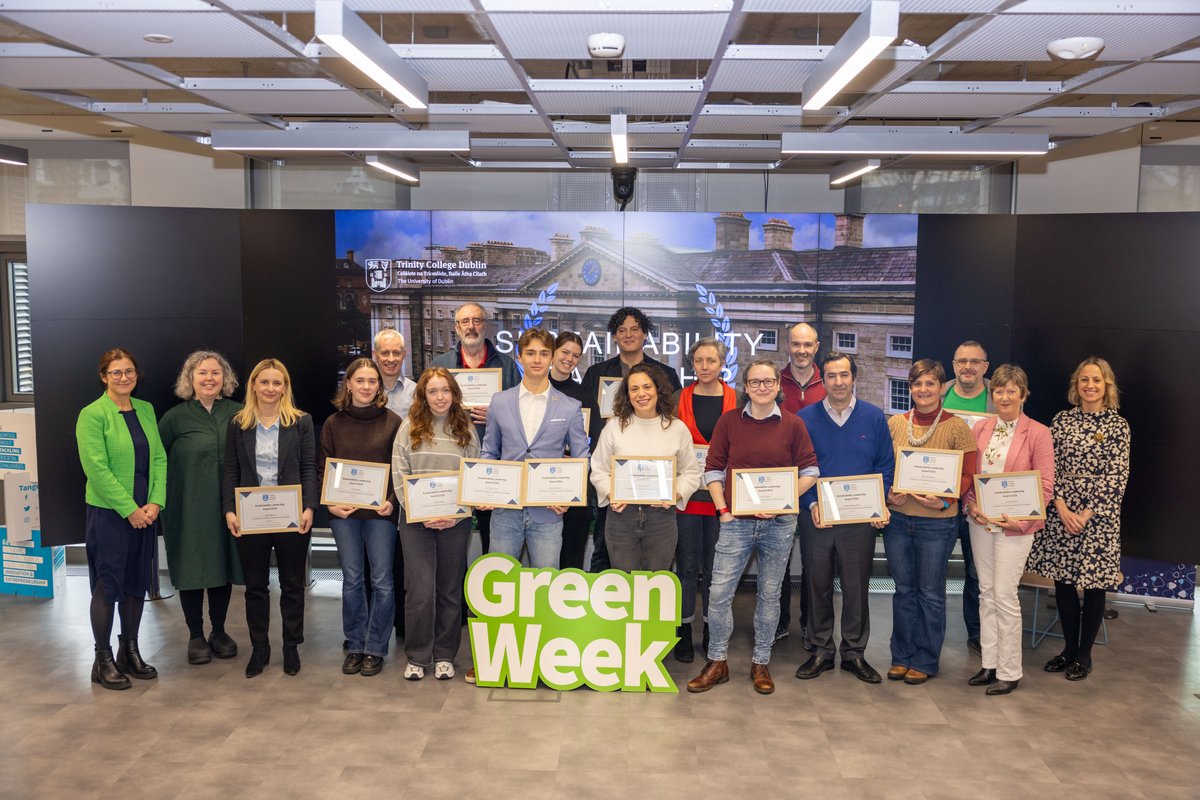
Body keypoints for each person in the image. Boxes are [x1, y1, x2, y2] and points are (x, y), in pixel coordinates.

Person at [687, 358, 819, 695]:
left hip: (779, 524)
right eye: (755, 382)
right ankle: (718, 661)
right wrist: (723, 510)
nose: (762, 387)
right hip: (735, 523)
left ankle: (761, 662)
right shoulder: (729, 422)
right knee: (718, 594)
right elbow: (714, 470)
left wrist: (783, 500)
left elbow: (810, 472)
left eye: (769, 381)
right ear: (746, 387)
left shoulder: (793, 425)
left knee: (770, 595)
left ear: (778, 385)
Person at [1027, 356, 1129, 681]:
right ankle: (1068, 649)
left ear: (1106, 385)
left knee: (1095, 585)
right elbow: (1049, 467)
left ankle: (1084, 655)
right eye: (1084, 379)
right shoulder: (1061, 421)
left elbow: (1117, 475)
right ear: (1076, 385)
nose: (1090, 385)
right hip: (1062, 513)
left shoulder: (1118, 426)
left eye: (1096, 380)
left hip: (1098, 518)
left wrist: (1085, 514)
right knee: (1065, 584)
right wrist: (1060, 506)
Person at [795, 352, 894, 684]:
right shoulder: (804, 418)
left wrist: (879, 505)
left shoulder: (873, 417)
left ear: (854, 378)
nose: (838, 382)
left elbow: (885, 467)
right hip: (817, 517)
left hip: (859, 521)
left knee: (856, 587)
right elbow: (797, 469)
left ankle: (854, 653)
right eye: (831, 376)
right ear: (822, 380)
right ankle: (820, 650)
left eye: (844, 375)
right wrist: (810, 503)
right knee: (817, 584)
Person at [76, 348, 167, 690]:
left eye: (129, 371)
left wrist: (155, 502)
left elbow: (158, 458)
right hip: (110, 514)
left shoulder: (145, 409)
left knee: (136, 582)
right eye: (116, 372)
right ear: (104, 377)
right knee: (109, 584)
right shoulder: (92, 414)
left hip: (145, 512)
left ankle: (130, 650)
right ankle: (103, 661)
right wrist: (129, 509)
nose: (124, 377)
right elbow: (96, 470)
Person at [883, 359, 977, 685]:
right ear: (910, 388)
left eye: (930, 383)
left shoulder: (956, 427)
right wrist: (886, 495)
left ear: (941, 388)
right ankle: (900, 656)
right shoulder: (895, 423)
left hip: (937, 522)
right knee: (903, 590)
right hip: (898, 521)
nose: (923, 390)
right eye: (917, 384)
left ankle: (925, 658)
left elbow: (968, 474)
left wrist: (946, 499)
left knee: (931, 592)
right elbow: (882, 467)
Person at [962, 364, 1054, 695]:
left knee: (1004, 594)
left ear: (1023, 395)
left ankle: (1010, 670)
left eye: (1011, 390)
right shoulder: (981, 429)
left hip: (1016, 528)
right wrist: (971, 505)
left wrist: (1019, 520)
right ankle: (989, 663)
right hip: (981, 522)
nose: (1004, 396)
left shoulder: (1039, 433)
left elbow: (1045, 486)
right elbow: (970, 476)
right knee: (985, 592)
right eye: (999, 390)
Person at [222, 359, 317, 678]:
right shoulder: (239, 423)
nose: (271, 388)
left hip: (291, 514)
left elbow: (308, 468)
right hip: (251, 517)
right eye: (264, 382)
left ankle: (291, 647)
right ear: (253, 386)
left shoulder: (301, 422)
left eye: (278, 383)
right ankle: (260, 648)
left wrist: (309, 507)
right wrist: (229, 510)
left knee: (292, 584)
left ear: (285, 387)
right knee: (255, 587)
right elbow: (231, 470)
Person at [392, 367, 480, 681]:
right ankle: (417, 656)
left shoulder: (466, 429)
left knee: (449, 589)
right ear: (423, 395)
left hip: (455, 522)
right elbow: (399, 476)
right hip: (415, 522)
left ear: (454, 394)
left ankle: (444, 655)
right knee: (419, 590)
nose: (440, 397)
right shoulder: (408, 428)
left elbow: (474, 474)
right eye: (433, 391)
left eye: (445, 390)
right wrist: (421, 512)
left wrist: (455, 513)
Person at [579, 307, 682, 571]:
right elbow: (586, 422)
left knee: (655, 564)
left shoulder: (667, 374)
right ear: (614, 336)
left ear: (645, 334)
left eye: (635, 329)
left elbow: (671, 422)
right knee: (604, 548)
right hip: (614, 476)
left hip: (655, 484)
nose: (628, 335)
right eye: (621, 330)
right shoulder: (595, 373)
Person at [158, 351, 243, 666]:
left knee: (222, 567)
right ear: (189, 379)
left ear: (225, 379)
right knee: (193, 569)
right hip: (188, 507)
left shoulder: (239, 413)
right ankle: (195, 634)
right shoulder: (175, 418)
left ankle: (219, 631)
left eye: (215, 373)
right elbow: (156, 460)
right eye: (202, 373)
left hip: (229, 508)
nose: (209, 378)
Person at [479, 328, 589, 569]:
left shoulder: (570, 407)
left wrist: (569, 496)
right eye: (530, 353)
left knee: (545, 587)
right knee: (499, 583)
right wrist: (484, 492)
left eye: (543, 353)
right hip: (505, 511)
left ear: (551, 358)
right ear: (519, 357)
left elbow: (581, 456)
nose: (537, 359)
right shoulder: (499, 401)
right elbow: (489, 452)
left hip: (548, 513)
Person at [320, 358, 402, 678]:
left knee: (382, 581)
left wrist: (392, 501)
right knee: (352, 580)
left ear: (379, 386)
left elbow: (400, 469)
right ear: (349, 384)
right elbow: (322, 469)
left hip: (380, 514)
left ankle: (376, 647)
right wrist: (330, 506)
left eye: (373, 381)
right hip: (344, 515)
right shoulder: (333, 424)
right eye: (361, 380)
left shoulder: (393, 422)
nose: (367, 386)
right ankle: (355, 643)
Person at [589, 363, 700, 572]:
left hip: (662, 519)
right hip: (621, 518)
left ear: (658, 389)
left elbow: (691, 472)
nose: (642, 394)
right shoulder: (614, 426)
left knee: (656, 586)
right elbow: (599, 469)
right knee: (625, 587)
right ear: (627, 395)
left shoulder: (677, 428)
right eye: (634, 389)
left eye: (647, 387)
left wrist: (676, 494)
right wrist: (612, 494)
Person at [432, 302, 521, 559]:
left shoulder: (506, 365)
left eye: (477, 320)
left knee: (494, 543)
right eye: (465, 321)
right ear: (456, 327)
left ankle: (489, 597)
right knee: (451, 542)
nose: (471, 327)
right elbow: (426, 411)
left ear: (486, 325)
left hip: (494, 464)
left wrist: (496, 414)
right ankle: (456, 599)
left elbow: (520, 416)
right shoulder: (440, 365)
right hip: (451, 463)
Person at [672, 337, 737, 662]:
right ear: (692, 364)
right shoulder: (678, 398)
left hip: (722, 501)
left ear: (722, 363)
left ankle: (713, 629)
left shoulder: (737, 400)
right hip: (686, 499)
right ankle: (683, 632)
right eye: (699, 361)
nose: (705, 367)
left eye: (711, 360)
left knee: (716, 570)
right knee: (686, 568)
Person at [942, 340, 993, 654]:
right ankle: (932, 634)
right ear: (953, 364)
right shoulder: (939, 392)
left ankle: (977, 634)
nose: (968, 367)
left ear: (985, 366)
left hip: (981, 501)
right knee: (935, 570)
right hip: (944, 499)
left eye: (975, 361)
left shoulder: (998, 396)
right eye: (962, 361)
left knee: (978, 572)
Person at [777, 322, 825, 647]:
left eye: (807, 345)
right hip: (776, 484)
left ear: (816, 346)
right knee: (777, 560)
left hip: (814, 485)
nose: (802, 350)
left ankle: (810, 624)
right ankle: (779, 623)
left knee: (813, 560)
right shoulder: (773, 382)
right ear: (788, 345)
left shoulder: (830, 383)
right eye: (796, 344)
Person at [373, 328, 415, 644]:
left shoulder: (415, 393)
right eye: (384, 353)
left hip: (404, 482)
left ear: (403, 355)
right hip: (368, 485)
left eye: (396, 353)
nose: (390, 359)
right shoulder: (361, 388)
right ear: (376, 356)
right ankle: (371, 626)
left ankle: (402, 622)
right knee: (370, 561)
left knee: (402, 557)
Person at [548, 331, 591, 570]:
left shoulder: (584, 395)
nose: (569, 359)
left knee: (572, 556)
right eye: (565, 352)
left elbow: (590, 440)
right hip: (542, 483)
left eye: (576, 355)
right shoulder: (535, 390)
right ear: (553, 352)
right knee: (544, 558)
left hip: (574, 483)